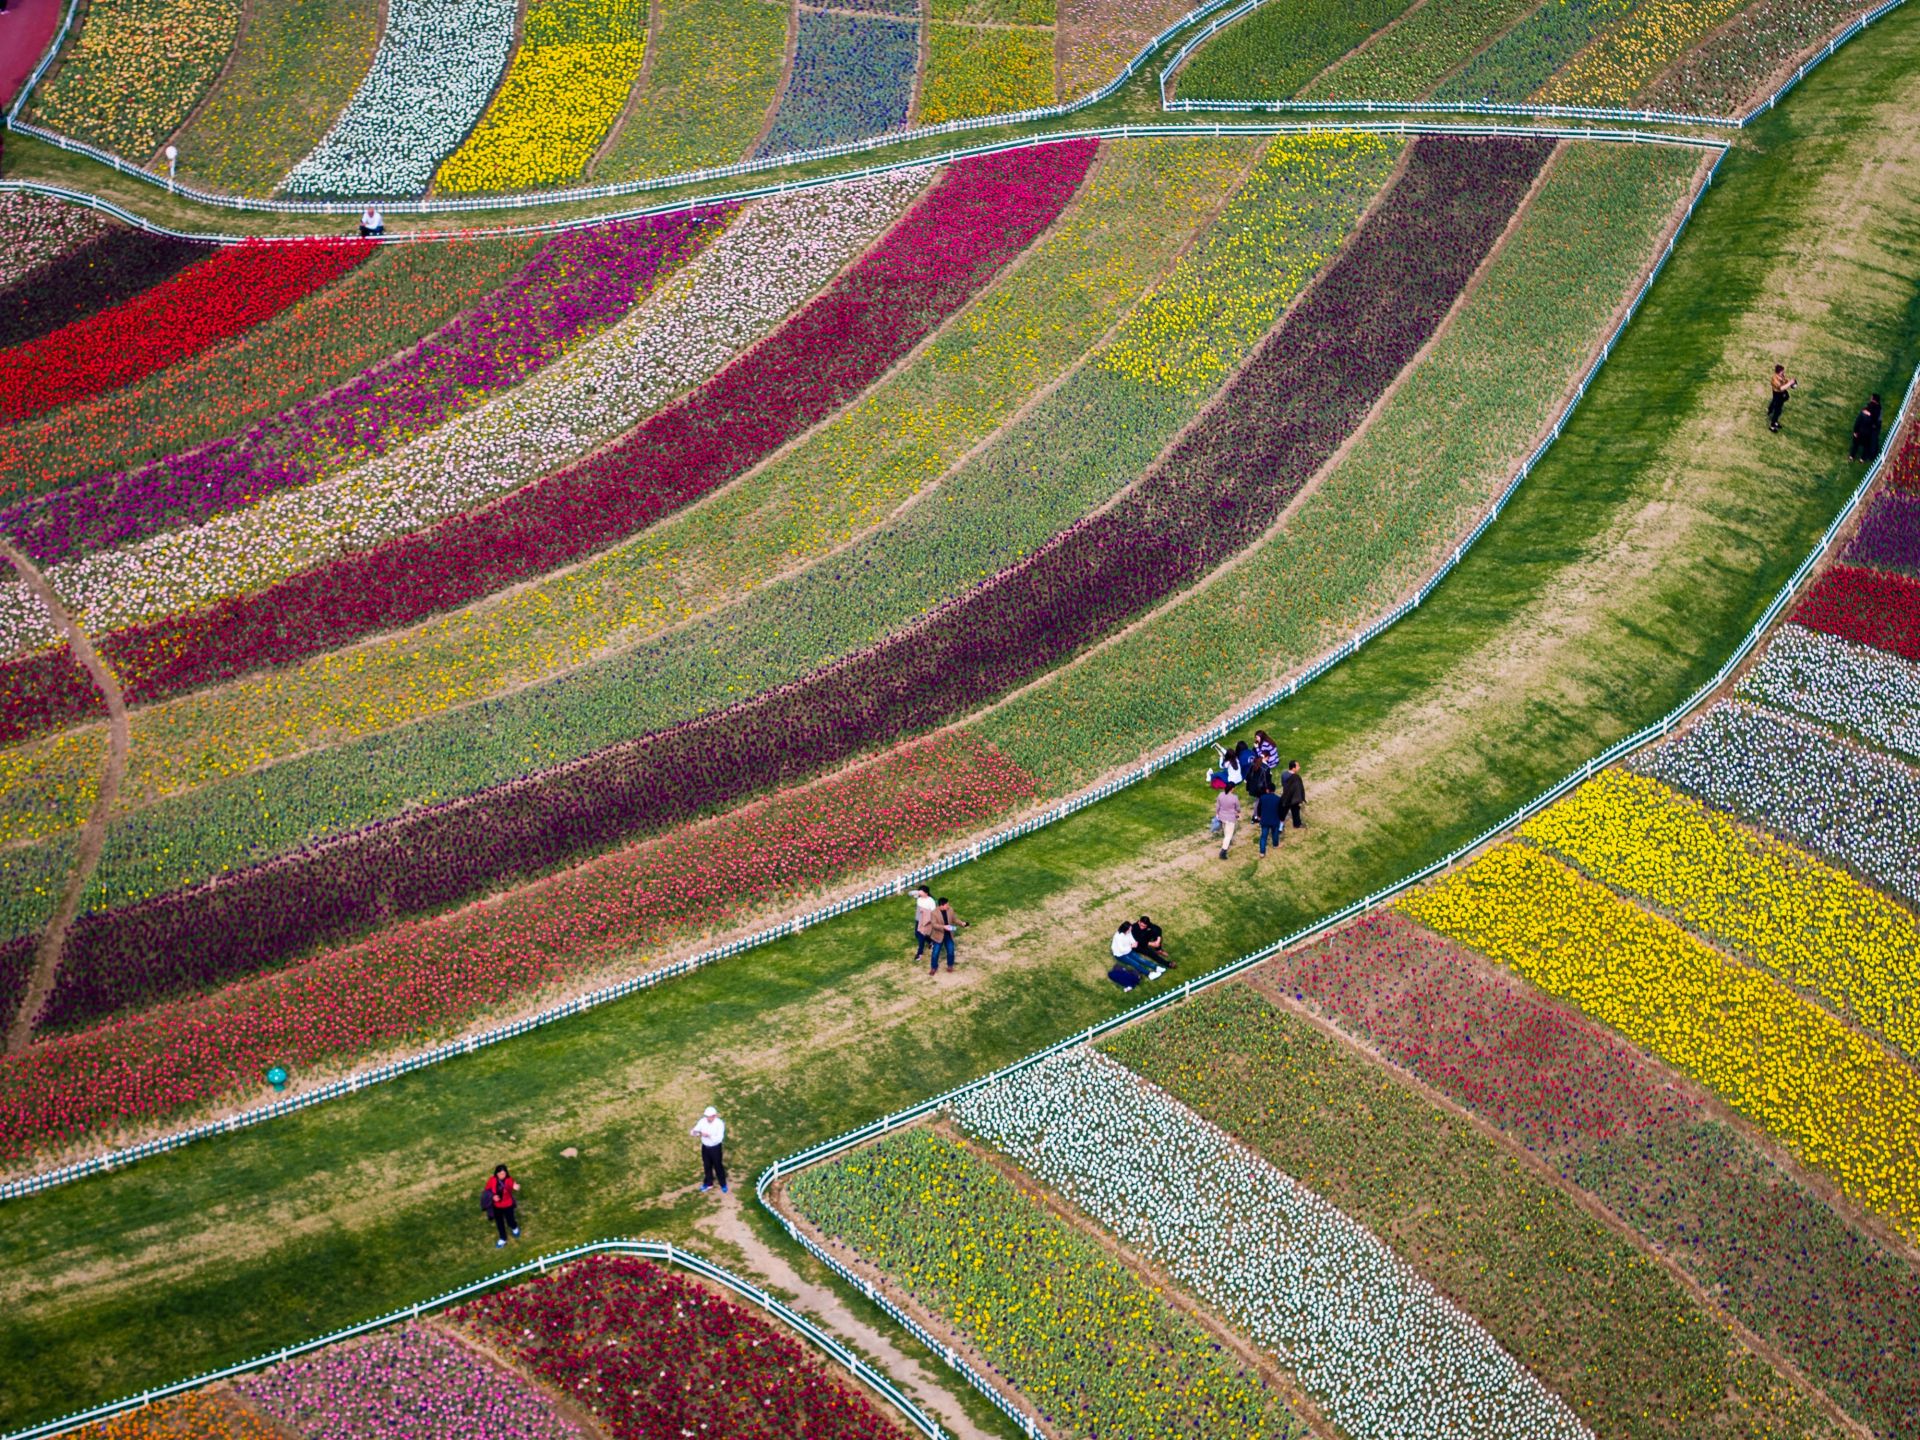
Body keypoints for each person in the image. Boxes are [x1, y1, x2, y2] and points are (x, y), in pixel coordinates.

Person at [692, 1106, 728, 1193]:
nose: (708, 1118)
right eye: (707, 1116)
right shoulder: (702, 1121)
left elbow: (719, 1139)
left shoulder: (719, 1124)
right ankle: (708, 1183)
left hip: (715, 1148)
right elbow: (694, 1130)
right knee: (707, 1166)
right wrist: (696, 1133)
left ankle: (723, 1184)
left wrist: (709, 1136)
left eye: (709, 1116)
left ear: (714, 1116)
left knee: (718, 1166)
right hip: (705, 1147)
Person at [483, 1164, 520, 1247]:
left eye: (504, 1173)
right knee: (499, 1223)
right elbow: (487, 1190)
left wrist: (516, 1187)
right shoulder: (492, 1180)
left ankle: (514, 1228)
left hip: (508, 1205)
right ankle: (503, 1238)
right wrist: (493, 1196)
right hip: (497, 1206)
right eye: (500, 1174)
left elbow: (513, 1185)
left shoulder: (509, 1180)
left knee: (510, 1220)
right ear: (497, 1173)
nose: (502, 1175)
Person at [931, 897, 965, 973]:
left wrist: (961, 923)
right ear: (941, 906)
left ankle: (950, 965)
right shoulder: (934, 913)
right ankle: (934, 967)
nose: (948, 906)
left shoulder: (950, 910)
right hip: (939, 935)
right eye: (947, 905)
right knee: (935, 953)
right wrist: (943, 927)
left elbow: (954, 919)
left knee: (951, 951)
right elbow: (933, 925)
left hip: (948, 935)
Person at [1851, 394, 1883, 462]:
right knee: (1867, 445)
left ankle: (1852, 456)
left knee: (1856, 444)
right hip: (1869, 432)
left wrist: (1855, 431)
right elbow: (1877, 423)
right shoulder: (1879, 410)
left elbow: (1858, 421)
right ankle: (1863, 458)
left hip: (1862, 430)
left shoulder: (1865, 410)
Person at [911, 885, 937, 963]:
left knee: (921, 936)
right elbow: (910, 893)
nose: (919, 893)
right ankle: (931, 942)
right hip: (919, 919)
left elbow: (933, 912)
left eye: (921, 891)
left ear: (926, 893)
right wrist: (917, 892)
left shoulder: (930, 901)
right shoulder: (919, 899)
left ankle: (919, 953)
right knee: (917, 934)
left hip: (926, 921)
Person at [1255, 784, 1283, 855]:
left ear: (1267, 790)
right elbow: (1280, 810)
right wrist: (1281, 818)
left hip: (1265, 819)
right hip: (1275, 819)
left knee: (1264, 836)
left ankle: (1262, 852)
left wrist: (1259, 815)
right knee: (1275, 833)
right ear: (1274, 790)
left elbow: (1259, 808)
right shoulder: (1278, 799)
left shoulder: (1262, 797)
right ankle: (1275, 845)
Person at [1767, 364, 1796, 433]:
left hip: (1781, 393)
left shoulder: (1781, 376)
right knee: (1777, 411)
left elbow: (1785, 381)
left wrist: (1790, 381)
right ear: (1778, 372)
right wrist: (1790, 383)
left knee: (1780, 407)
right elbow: (1781, 388)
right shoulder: (1775, 379)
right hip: (1777, 394)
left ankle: (1774, 420)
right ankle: (1772, 425)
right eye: (1782, 372)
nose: (1783, 373)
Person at [1279, 760, 1306, 830]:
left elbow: (1283, 784)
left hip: (1286, 796)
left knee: (1283, 812)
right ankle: (1297, 824)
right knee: (1295, 811)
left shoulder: (1284, 774)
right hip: (1293, 798)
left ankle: (1280, 827)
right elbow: (1298, 789)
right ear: (1293, 768)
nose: (1299, 767)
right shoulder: (1296, 777)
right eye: (1298, 766)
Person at [1214, 786, 1240, 859]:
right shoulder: (1234, 797)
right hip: (1230, 818)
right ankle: (1223, 851)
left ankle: (1227, 843)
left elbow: (1218, 806)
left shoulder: (1220, 795)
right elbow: (1238, 808)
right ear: (1232, 789)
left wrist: (1217, 813)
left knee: (1226, 831)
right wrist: (1238, 812)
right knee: (1229, 835)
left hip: (1222, 816)